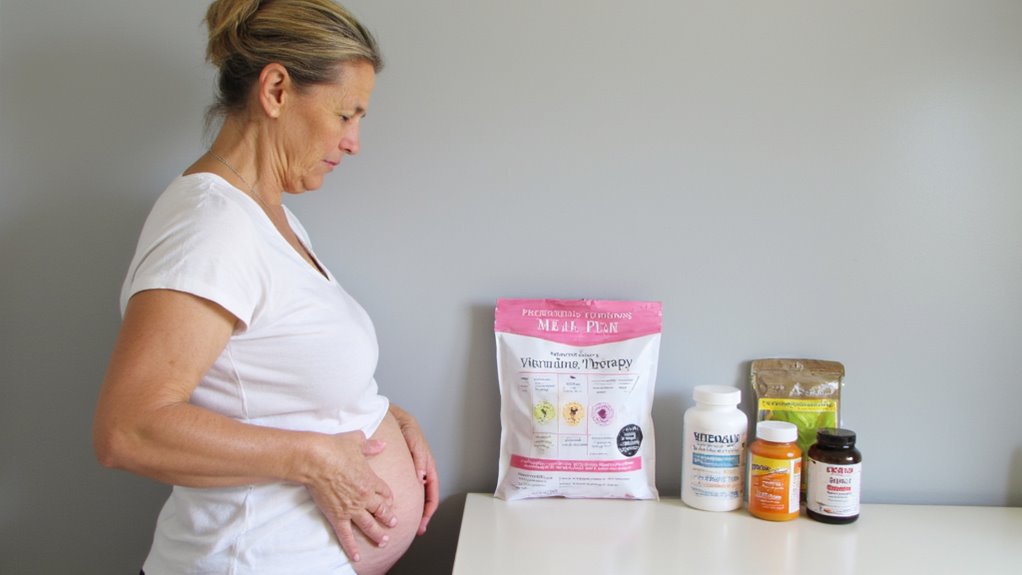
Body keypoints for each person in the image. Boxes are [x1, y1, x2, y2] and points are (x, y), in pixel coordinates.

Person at [92, 1, 438, 573]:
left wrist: (378, 413)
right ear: (276, 89)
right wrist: (315, 460)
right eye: (345, 114)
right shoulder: (210, 225)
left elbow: (266, 379)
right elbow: (128, 429)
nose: (354, 142)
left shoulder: (266, 216)